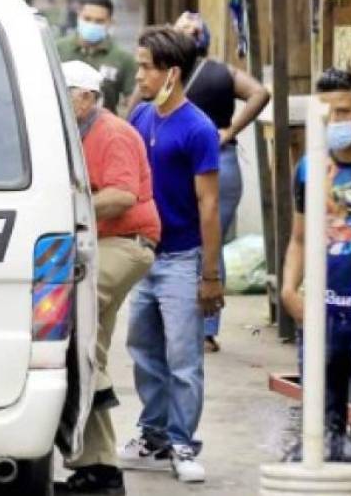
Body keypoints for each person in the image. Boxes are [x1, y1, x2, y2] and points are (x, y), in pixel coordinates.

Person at [119, 26, 222, 484]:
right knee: (143, 349)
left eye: (146, 67)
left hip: (182, 259)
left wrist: (211, 275)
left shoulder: (198, 129)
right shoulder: (141, 116)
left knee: (183, 358)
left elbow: (210, 204)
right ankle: (154, 435)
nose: (139, 74)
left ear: (172, 73)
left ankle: (183, 441)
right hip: (143, 255)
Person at [55, 61, 161, 495]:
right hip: (97, 243)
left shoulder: (112, 132)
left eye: (67, 92)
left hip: (127, 243)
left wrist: (67, 210)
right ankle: (99, 470)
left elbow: (121, 196)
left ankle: (90, 391)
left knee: (70, 319)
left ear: (88, 97)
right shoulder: (70, 132)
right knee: (89, 346)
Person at [279, 67, 351, 461]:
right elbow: (301, 237)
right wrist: (289, 290)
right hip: (320, 316)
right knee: (322, 431)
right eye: (328, 114)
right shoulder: (309, 168)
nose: (337, 121)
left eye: (344, 111)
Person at [174, 12, 271, 352]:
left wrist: (231, 130)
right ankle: (203, 330)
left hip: (204, 162)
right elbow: (259, 92)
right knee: (207, 244)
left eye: (188, 29)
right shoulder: (221, 72)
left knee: (197, 244)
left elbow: (262, 93)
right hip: (219, 159)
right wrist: (231, 131)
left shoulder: (171, 75)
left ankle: (199, 328)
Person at [58, 0, 137, 114]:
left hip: (103, 129)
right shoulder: (58, 50)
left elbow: (132, 101)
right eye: (87, 19)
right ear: (79, 16)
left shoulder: (123, 59)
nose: (92, 25)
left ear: (110, 22)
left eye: (99, 21)